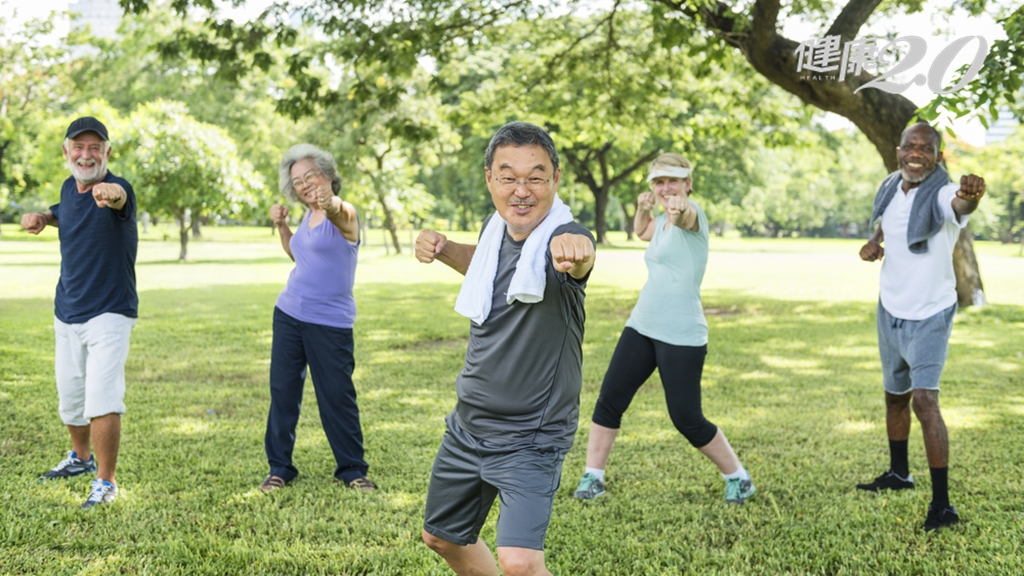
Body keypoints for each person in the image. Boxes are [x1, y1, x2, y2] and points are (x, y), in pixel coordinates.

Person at [415, 121, 595, 576]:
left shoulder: (562, 237)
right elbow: (486, 264)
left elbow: (578, 257)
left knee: (520, 562)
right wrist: (443, 248)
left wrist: (578, 250)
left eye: (535, 177)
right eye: (508, 177)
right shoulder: (495, 232)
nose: (522, 190)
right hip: (468, 424)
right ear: (489, 179)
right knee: (441, 537)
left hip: (529, 435)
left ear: (555, 179)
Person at [571, 153, 755, 506]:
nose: (666, 188)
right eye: (659, 182)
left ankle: (738, 477)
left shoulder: (692, 215)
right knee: (609, 400)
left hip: (681, 333)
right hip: (642, 325)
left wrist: (679, 208)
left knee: (687, 418)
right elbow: (643, 232)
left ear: (688, 183)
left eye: (673, 181)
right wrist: (644, 209)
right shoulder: (661, 223)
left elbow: (685, 216)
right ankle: (593, 477)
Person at [856, 122, 985, 531]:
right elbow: (889, 219)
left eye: (925, 148)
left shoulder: (943, 192)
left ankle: (943, 506)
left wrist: (970, 197)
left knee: (924, 401)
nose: (916, 153)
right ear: (899, 152)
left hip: (930, 313)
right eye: (909, 146)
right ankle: (899, 474)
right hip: (890, 308)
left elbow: (959, 207)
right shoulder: (891, 186)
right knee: (895, 397)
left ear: (937, 156)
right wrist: (876, 241)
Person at [22, 117, 138, 509]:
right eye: (79, 147)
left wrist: (111, 192)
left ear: (107, 152)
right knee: (71, 396)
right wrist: (44, 218)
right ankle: (80, 458)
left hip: (110, 311)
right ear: (67, 151)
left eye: (95, 148)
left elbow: (117, 198)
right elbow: (65, 210)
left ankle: (106, 481)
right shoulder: (68, 188)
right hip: (67, 310)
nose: (86, 155)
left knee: (102, 397)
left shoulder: (118, 189)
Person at [261, 144, 376, 493]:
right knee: (283, 392)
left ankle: (352, 470)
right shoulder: (306, 217)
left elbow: (340, 212)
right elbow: (297, 253)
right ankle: (280, 467)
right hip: (289, 314)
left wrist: (331, 203)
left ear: (327, 175)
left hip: (330, 323)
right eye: (297, 181)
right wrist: (282, 226)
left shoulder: (346, 214)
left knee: (337, 396)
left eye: (310, 175)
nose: (304, 184)